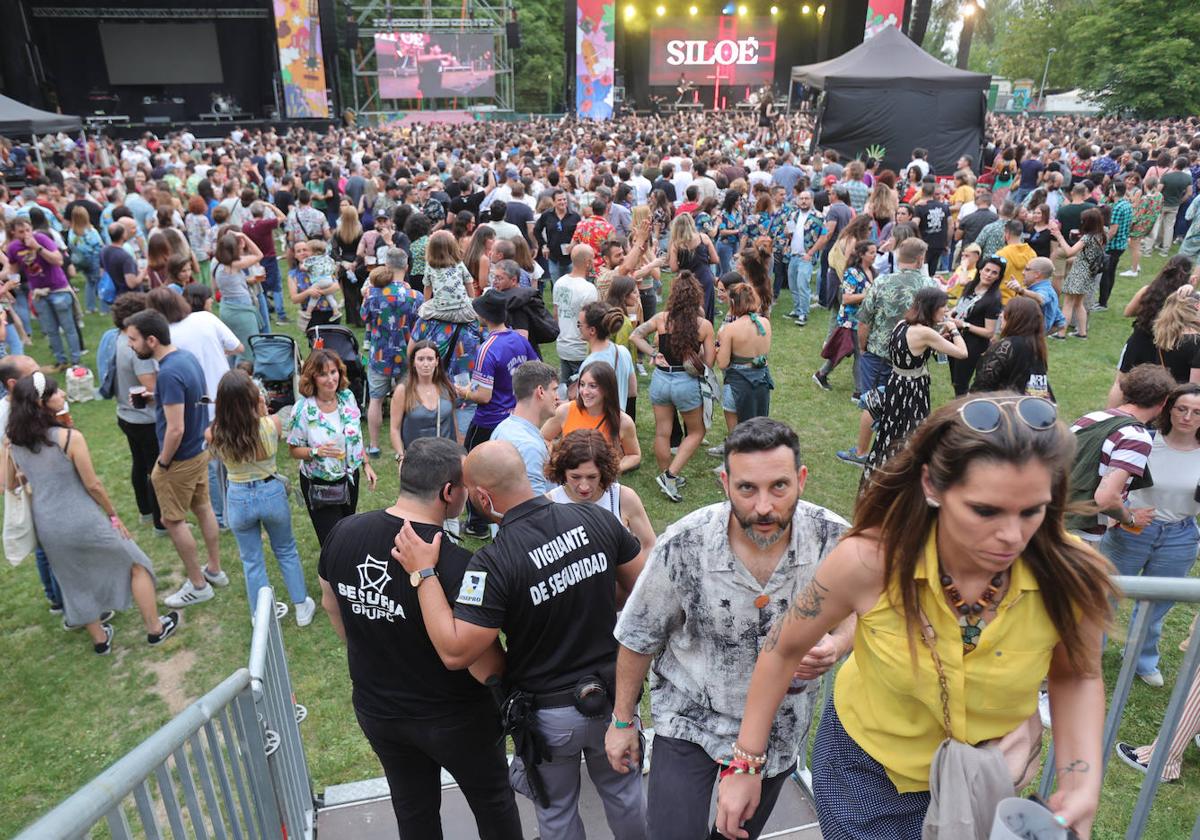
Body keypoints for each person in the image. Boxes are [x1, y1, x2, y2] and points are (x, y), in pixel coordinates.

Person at [717, 395, 1114, 840]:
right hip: (866, 780)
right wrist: (746, 764)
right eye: (985, 510)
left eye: (1032, 511)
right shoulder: (869, 562)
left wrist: (1080, 781)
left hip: (987, 778)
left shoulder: (1074, 575)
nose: (1012, 536)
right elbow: (782, 648)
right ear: (931, 485)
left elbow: (1077, 676)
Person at [390, 439, 647, 840]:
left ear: (481, 495)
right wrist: (590, 588)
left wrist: (423, 573)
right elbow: (641, 590)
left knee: (557, 814)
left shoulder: (491, 562)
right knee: (626, 796)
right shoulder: (595, 518)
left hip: (549, 719)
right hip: (614, 700)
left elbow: (457, 652)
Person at [608, 417, 849, 839]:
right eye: (746, 488)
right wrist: (623, 721)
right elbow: (638, 635)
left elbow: (866, 606)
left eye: (779, 486)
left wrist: (839, 641)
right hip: (690, 719)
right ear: (724, 483)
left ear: (802, 480)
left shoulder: (835, 540)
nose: (763, 506)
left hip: (780, 727)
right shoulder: (684, 546)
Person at [318, 436, 524, 840]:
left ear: (402, 473)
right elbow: (485, 667)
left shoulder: (344, 532)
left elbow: (330, 602)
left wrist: (371, 637)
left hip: (379, 711)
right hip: (457, 719)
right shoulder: (461, 565)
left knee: (414, 811)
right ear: (450, 492)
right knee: (493, 803)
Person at [6, 372, 179, 654]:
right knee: (137, 563)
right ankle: (154, 629)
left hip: (47, 523)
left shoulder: (15, 442)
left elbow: (10, 484)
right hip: (83, 518)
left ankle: (100, 641)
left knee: (72, 581)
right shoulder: (69, 438)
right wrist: (113, 516)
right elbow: (93, 485)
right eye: (55, 391)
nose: (62, 393)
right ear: (42, 403)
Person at [124, 309, 227, 609]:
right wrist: (152, 397)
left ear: (151, 340)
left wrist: (163, 463)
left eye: (133, 339)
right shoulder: (186, 358)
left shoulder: (167, 372)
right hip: (198, 451)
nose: (130, 345)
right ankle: (215, 570)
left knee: (173, 519)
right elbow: (194, 397)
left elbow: (176, 428)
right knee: (204, 507)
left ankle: (198, 585)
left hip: (179, 459)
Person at [1101, 383, 1200, 687]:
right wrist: (1118, 517)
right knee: (1105, 594)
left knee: (1156, 604)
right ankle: (1089, 652)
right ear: (1168, 408)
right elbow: (1109, 484)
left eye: (1196, 412)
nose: (1187, 417)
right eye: (1181, 408)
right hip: (1132, 528)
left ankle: (1141, 659)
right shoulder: (1145, 441)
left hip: (1180, 534)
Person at [208, 369, 315, 625]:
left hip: (238, 497)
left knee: (251, 560)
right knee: (286, 549)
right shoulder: (271, 425)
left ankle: (260, 614)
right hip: (271, 492)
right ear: (253, 398)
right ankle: (301, 606)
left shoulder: (214, 433)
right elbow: (269, 423)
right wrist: (261, 408)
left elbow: (216, 440)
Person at [838, 238, 935, 465]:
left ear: (900, 257)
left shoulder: (881, 282)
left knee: (873, 403)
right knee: (901, 405)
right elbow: (936, 323)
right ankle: (894, 452)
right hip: (911, 358)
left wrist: (863, 346)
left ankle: (862, 452)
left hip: (878, 351)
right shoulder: (930, 286)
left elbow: (864, 320)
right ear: (920, 259)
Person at [861, 287, 967, 484]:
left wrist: (939, 337)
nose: (946, 310)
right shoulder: (925, 333)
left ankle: (880, 473)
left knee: (890, 432)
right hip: (912, 389)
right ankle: (903, 477)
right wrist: (953, 328)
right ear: (931, 308)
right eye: (943, 306)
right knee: (911, 432)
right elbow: (962, 353)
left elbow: (914, 350)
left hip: (896, 384)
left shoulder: (902, 324)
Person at [1066, 364, 1176, 544]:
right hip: (1080, 534)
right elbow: (1106, 498)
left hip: (1053, 516)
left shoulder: (1092, 418)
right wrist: (1131, 520)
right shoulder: (1136, 437)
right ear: (1164, 402)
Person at [457, 291, 537, 537]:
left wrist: (463, 392)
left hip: (488, 421)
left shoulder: (487, 348)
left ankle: (476, 524)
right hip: (514, 417)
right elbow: (533, 370)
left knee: (473, 471)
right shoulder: (518, 338)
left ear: (484, 315)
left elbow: (484, 396)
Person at [631, 271, 717, 502]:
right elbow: (709, 362)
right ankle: (670, 475)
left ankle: (666, 475)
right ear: (696, 297)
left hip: (660, 380)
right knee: (697, 432)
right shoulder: (704, 325)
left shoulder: (662, 318)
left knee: (662, 432)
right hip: (686, 383)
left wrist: (654, 353)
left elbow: (635, 335)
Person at [287, 348, 377, 546]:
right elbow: (293, 450)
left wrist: (366, 464)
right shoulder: (303, 410)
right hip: (319, 483)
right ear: (312, 378)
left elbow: (357, 437)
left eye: (333, 372)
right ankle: (331, 575)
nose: (330, 379)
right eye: (323, 374)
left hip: (349, 479)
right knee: (332, 541)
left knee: (346, 531)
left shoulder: (347, 398)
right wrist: (315, 452)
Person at [545, 429, 656, 559]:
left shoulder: (624, 498)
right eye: (575, 477)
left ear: (604, 471)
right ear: (562, 471)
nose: (584, 486)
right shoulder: (549, 504)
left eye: (592, 477)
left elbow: (650, 545)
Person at [1108, 257, 1198, 404]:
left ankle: (1110, 413)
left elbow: (1128, 312)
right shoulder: (1183, 300)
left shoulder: (1149, 290)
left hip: (1139, 341)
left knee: (1121, 382)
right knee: (1154, 387)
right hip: (1163, 346)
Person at [110, 293, 163, 533]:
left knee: (139, 464)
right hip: (144, 418)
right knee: (155, 470)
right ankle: (161, 522)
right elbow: (150, 386)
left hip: (125, 414)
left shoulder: (118, 338)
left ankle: (145, 510)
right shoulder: (136, 348)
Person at [361, 261, 424, 458]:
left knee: (376, 400)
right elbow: (420, 326)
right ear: (406, 266)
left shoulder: (373, 295)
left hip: (380, 356)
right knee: (408, 400)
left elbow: (363, 317)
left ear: (388, 265)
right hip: (407, 355)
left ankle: (373, 445)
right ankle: (407, 445)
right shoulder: (416, 296)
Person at [5, 217, 80, 370]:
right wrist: (12, 284)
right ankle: (61, 361)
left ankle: (76, 361)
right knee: (51, 330)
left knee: (68, 327)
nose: (26, 234)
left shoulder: (41, 239)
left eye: (28, 230)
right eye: (21, 232)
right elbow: (13, 269)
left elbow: (58, 261)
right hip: (39, 293)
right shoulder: (13, 247)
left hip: (58, 289)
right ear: (14, 232)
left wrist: (37, 247)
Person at [542, 360, 640, 474]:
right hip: (568, 482)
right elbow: (542, 438)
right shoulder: (565, 411)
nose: (585, 391)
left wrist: (611, 470)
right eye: (582, 384)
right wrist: (558, 459)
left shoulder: (623, 421)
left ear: (607, 389)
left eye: (592, 386)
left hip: (603, 486)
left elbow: (634, 455)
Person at [491, 360, 560, 495]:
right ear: (540, 391)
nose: (557, 397)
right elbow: (535, 508)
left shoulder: (502, 428)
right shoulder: (529, 446)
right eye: (554, 390)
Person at [388, 339, 457, 462]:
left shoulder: (447, 388)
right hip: (416, 460)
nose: (426, 364)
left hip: (446, 458)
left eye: (430, 359)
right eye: (420, 359)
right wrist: (401, 457)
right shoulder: (403, 391)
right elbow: (394, 429)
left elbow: (454, 423)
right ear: (413, 362)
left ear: (436, 362)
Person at [973, 295, 1055, 398]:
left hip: (1003, 407)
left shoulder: (1006, 346)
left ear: (1015, 318)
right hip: (1030, 406)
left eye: (1006, 311)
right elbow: (1038, 387)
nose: (1001, 315)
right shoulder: (1036, 345)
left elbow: (982, 385)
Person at [946, 254, 1004, 396]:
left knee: (961, 383)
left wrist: (964, 325)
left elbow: (989, 332)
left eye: (994, 273)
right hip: (955, 337)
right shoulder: (971, 285)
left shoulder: (994, 299)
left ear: (998, 277)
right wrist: (951, 314)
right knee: (955, 380)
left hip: (973, 345)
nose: (989, 275)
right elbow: (962, 306)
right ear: (980, 270)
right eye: (987, 270)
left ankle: (961, 412)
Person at [716, 283, 773, 426]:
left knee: (737, 436)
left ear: (734, 302)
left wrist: (718, 349)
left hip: (738, 384)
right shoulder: (765, 323)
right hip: (761, 381)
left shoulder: (730, 329)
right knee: (757, 430)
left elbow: (722, 363)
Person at [1053, 208, 1107, 340]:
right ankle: (1082, 333)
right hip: (1089, 273)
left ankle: (1061, 334)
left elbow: (1070, 252)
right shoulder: (1101, 236)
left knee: (1068, 303)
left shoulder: (1087, 238)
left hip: (1079, 272)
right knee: (1079, 304)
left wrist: (1059, 236)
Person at [212, 230, 263, 364]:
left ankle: (231, 378)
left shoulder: (217, 264)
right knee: (248, 351)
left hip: (227, 309)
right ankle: (245, 380)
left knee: (232, 349)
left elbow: (218, 286)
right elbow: (259, 255)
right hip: (241, 313)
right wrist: (244, 235)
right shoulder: (235, 265)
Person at [553, 244, 599, 384]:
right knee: (581, 391)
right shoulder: (588, 289)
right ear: (587, 262)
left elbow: (556, 315)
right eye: (593, 258)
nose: (594, 262)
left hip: (563, 346)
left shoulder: (559, 283)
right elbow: (591, 322)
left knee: (565, 391)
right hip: (580, 349)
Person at [578, 301, 636, 413]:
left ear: (592, 330)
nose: (578, 328)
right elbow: (632, 391)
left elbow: (582, 402)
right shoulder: (622, 352)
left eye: (579, 325)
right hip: (618, 419)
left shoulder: (589, 364)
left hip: (596, 424)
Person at [668, 213, 720, 322]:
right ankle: (707, 334)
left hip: (686, 280)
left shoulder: (676, 244)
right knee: (706, 311)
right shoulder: (703, 238)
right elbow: (715, 259)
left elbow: (673, 267)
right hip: (705, 277)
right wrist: (703, 261)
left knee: (687, 311)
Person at [784, 189, 824, 326]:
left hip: (806, 256)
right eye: (801, 198)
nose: (804, 201)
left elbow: (823, 237)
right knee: (793, 284)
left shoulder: (818, 216)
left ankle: (803, 314)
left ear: (811, 200)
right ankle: (797, 309)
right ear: (797, 200)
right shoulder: (793, 215)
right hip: (793, 254)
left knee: (802, 285)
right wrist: (787, 233)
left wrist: (810, 253)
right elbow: (789, 233)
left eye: (807, 198)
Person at [288, 240, 339, 328]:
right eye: (298, 251)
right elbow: (294, 299)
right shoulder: (293, 274)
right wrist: (308, 292)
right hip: (312, 315)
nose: (302, 253)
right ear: (295, 255)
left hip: (329, 311)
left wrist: (320, 292)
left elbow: (336, 286)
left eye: (305, 250)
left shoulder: (322, 265)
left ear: (312, 251)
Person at [534, 189, 581, 283]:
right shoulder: (547, 215)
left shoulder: (575, 216)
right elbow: (536, 230)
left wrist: (574, 245)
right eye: (559, 200)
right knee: (557, 285)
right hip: (553, 258)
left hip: (571, 258)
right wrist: (543, 245)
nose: (563, 202)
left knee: (572, 285)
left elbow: (581, 234)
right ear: (554, 202)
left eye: (564, 199)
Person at [66, 206, 104, 315]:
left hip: (81, 260)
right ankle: (103, 307)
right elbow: (98, 243)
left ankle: (90, 307)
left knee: (89, 282)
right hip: (93, 257)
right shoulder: (90, 230)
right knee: (98, 281)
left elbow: (71, 245)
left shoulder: (72, 232)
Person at [301, 239, 343, 320]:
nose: (306, 253)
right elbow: (334, 266)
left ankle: (308, 313)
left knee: (314, 294)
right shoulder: (326, 257)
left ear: (314, 251)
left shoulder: (311, 259)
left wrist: (302, 265)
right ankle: (336, 311)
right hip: (329, 279)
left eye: (307, 250)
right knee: (329, 296)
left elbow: (303, 268)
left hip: (319, 280)